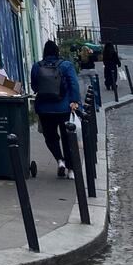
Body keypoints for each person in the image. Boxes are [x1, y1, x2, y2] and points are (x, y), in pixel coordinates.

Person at [31, 40, 82, 179]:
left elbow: (34, 87)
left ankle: (60, 160)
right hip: (63, 108)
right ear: (57, 51)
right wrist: (74, 101)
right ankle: (71, 170)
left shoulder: (37, 66)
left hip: (44, 109)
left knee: (50, 137)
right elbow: (73, 84)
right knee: (67, 138)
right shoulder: (66, 65)